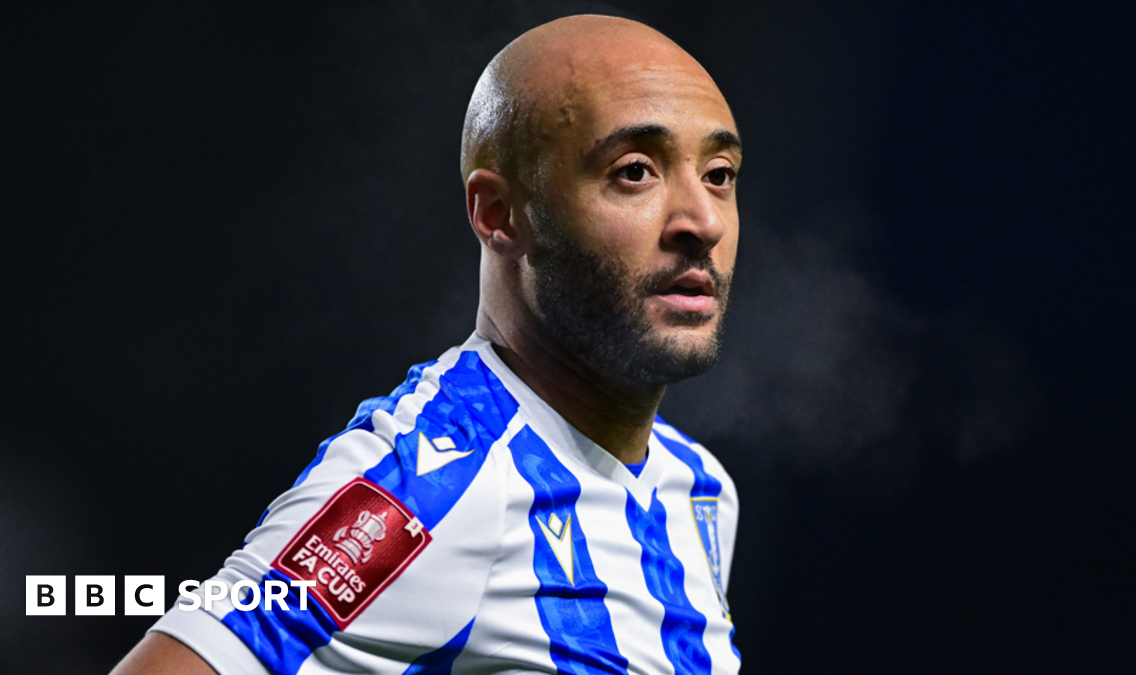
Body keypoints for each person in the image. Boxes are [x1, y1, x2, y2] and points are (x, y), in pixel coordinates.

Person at [113, 13, 743, 674]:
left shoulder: (698, 489)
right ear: (499, 213)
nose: (700, 220)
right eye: (635, 171)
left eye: (719, 174)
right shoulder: (435, 481)